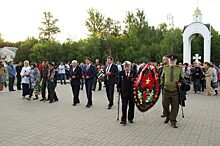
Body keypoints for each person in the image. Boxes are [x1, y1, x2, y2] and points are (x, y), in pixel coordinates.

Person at [160, 54, 184, 128]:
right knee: (165, 105)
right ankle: (168, 115)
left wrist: (181, 83)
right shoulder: (165, 68)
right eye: (171, 60)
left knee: (175, 107)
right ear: (169, 60)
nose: (172, 61)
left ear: (176, 61)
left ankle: (173, 120)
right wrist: (161, 84)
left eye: (173, 60)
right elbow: (162, 77)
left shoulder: (179, 69)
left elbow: (182, 79)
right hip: (166, 90)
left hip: (175, 91)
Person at [117, 61, 137, 125]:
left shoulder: (134, 73)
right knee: (124, 106)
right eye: (125, 67)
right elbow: (119, 82)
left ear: (130, 67)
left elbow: (137, 82)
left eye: (128, 67)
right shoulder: (121, 73)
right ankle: (123, 119)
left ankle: (130, 118)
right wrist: (118, 88)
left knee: (131, 106)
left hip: (131, 92)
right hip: (124, 92)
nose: (126, 68)